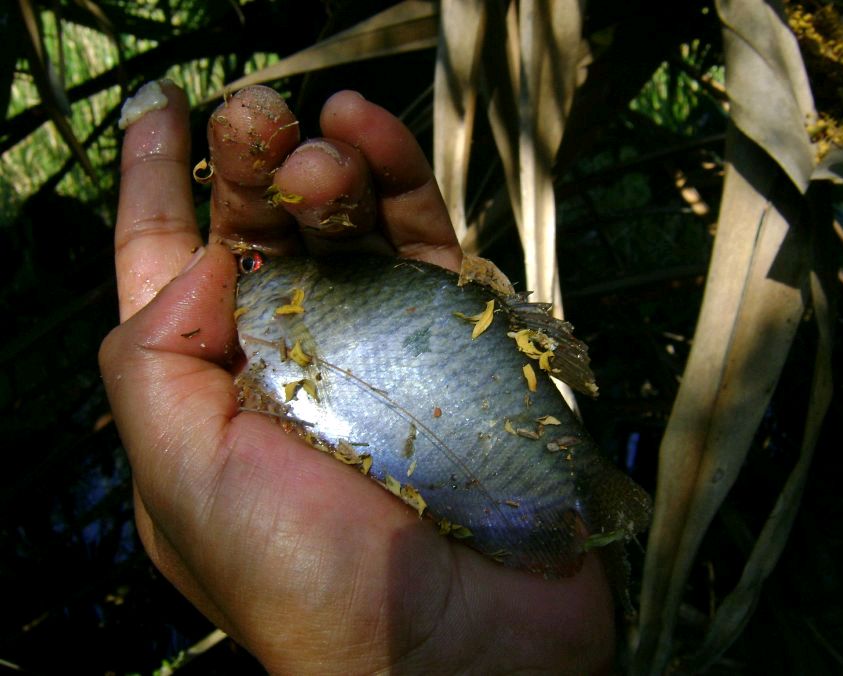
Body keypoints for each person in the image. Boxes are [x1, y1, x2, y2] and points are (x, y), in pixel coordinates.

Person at [99, 81, 614, 673]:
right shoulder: (250, 338)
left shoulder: (259, 324)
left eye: (249, 265)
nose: (229, 274)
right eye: (245, 267)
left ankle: (577, 511)